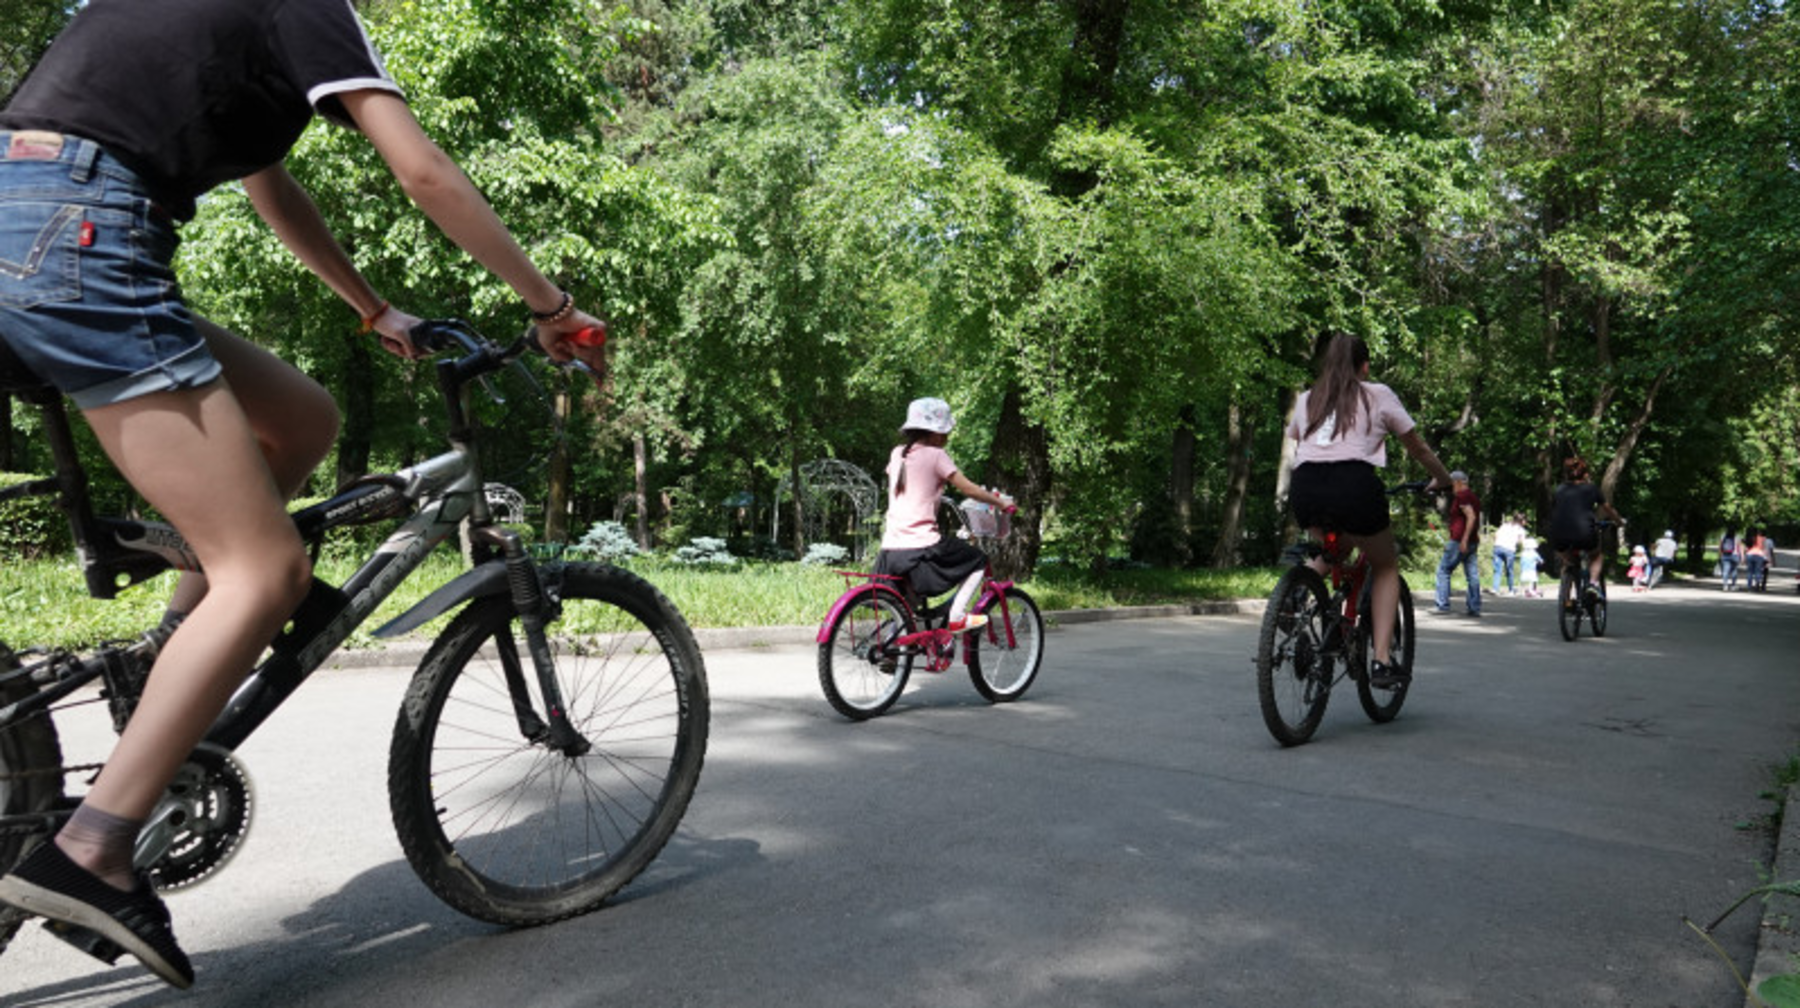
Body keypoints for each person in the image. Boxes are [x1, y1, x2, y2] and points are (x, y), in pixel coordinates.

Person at [0, 0, 607, 989]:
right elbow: (422, 171)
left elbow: (270, 188)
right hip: (78, 230)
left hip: (29, 213)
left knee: (304, 418)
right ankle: (93, 849)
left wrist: (371, 308)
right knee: (269, 566)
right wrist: (552, 307)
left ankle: (170, 659)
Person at [1284, 333, 1454, 690]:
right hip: (1353, 485)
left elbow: (1300, 440)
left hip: (1306, 486)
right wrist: (1441, 479)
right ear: (1365, 366)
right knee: (1386, 565)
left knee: (1337, 546)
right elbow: (1418, 448)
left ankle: (1296, 594)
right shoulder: (1377, 394)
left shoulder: (1307, 398)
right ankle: (1380, 661)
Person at [873, 398, 1015, 632]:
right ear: (936, 433)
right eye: (947, 432)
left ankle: (893, 647)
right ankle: (957, 616)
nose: (947, 438)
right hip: (922, 547)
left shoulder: (898, 453)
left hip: (891, 549)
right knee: (978, 560)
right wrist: (999, 503)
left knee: (907, 603)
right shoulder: (936, 455)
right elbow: (968, 489)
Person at [1547, 457, 1625, 606]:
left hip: (1558, 532)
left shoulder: (1559, 489)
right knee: (1596, 555)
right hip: (1583, 532)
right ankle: (1593, 584)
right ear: (1585, 474)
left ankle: (1566, 599)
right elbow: (1607, 509)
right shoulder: (1591, 489)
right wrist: (1619, 521)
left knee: (1568, 561)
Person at [1433, 471, 1483, 616]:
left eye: (1452, 483)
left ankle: (1442, 605)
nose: (1451, 487)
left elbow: (1471, 517)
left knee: (1443, 571)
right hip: (1471, 541)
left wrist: (1463, 540)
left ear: (1459, 482)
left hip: (1460, 541)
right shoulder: (1473, 497)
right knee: (1472, 575)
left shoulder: (1462, 496)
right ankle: (1474, 607)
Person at [1491, 512, 1526, 596]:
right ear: (1522, 521)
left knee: (1497, 570)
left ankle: (1495, 589)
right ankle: (1511, 590)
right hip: (1509, 550)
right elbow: (1522, 542)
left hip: (1498, 547)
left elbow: (1496, 535)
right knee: (1509, 571)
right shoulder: (1520, 530)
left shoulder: (1505, 525)